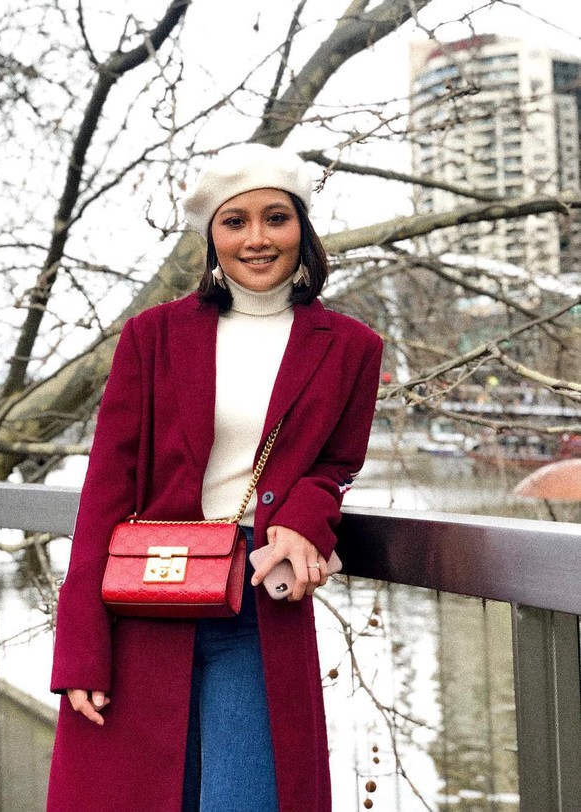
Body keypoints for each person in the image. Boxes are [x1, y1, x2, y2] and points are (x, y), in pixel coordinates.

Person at [47, 143, 383, 812]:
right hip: (143, 604)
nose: (257, 239)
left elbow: (336, 466)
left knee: (248, 797)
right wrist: (80, 648)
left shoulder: (351, 347)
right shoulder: (153, 336)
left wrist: (305, 515)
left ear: (302, 230)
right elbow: (105, 491)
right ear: (213, 238)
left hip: (259, 609)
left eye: (276, 218)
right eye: (235, 222)